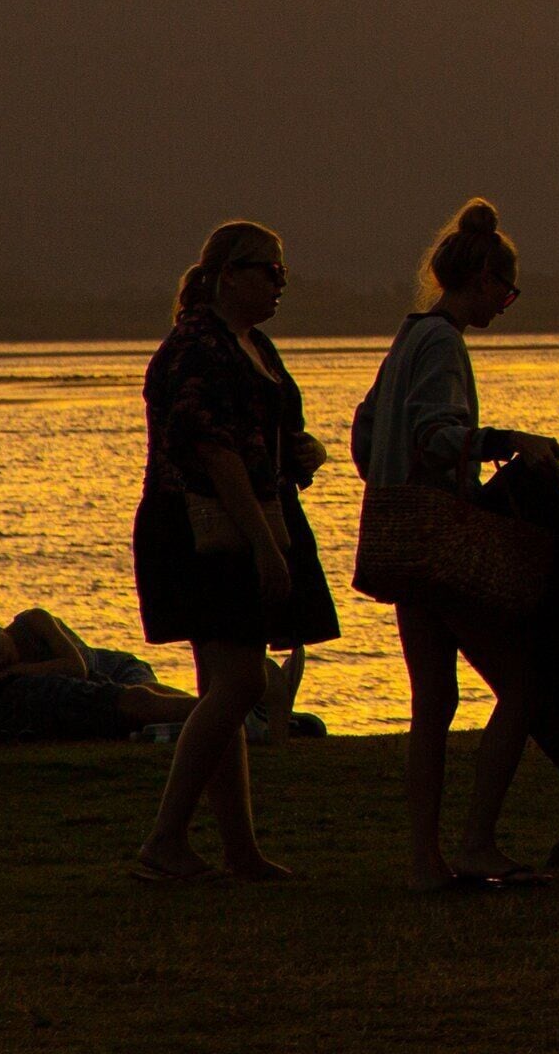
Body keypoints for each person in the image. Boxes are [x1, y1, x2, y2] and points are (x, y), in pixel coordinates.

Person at [357, 198, 559, 891]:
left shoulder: (407, 335)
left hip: (399, 541)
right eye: (505, 292)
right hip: (440, 543)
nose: (507, 305)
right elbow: (435, 436)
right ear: (481, 281)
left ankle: (424, 860)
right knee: (525, 683)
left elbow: (367, 431)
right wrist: (506, 444)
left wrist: (392, 476)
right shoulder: (444, 342)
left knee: (432, 703)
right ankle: (475, 841)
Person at [129, 220, 341, 885]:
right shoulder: (198, 347)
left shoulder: (252, 346)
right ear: (229, 274)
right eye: (268, 271)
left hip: (248, 521)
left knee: (224, 684)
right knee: (242, 681)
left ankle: (238, 850)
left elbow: (267, 437)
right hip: (205, 532)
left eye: (283, 273)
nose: (279, 284)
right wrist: (262, 545)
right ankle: (165, 839)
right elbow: (210, 451)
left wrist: (304, 454)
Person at [0, 619, 195, 741]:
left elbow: (75, 667)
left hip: (110, 666)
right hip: (97, 682)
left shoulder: (32, 622)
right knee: (137, 703)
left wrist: (15, 671)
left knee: (142, 691)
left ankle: (211, 710)